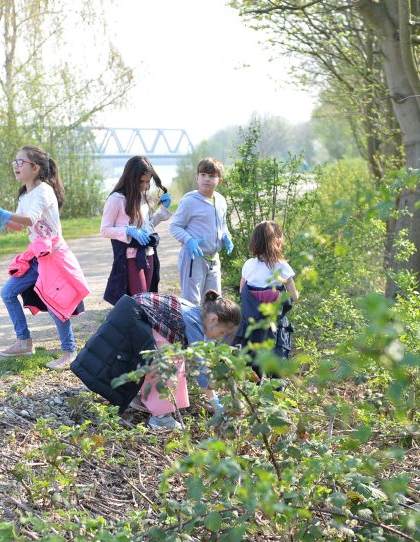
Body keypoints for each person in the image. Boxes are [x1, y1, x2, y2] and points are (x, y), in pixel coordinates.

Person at [0, 145, 89, 370]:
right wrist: (1, 219)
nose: (15, 166)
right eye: (15, 161)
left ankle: (69, 352)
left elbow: (30, 219)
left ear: (35, 167)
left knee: (55, 304)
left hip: (54, 256)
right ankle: (24, 341)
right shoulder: (26, 193)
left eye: (20, 162)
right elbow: (19, 226)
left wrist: (3, 213)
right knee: (8, 292)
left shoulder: (44, 191)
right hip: (37, 256)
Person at [71, 290, 240, 430]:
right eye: (223, 332)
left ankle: (144, 399)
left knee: (164, 356)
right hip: (134, 318)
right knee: (171, 361)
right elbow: (200, 368)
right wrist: (215, 403)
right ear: (214, 319)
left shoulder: (199, 313)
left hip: (131, 312)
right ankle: (161, 418)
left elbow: (206, 349)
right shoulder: (194, 324)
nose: (220, 338)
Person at [100, 156, 172, 305]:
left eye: (148, 181)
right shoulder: (116, 199)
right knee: (141, 302)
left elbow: (148, 226)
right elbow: (105, 230)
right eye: (142, 181)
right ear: (131, 177)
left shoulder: (144, 197)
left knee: (150, 299)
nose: (145, 185)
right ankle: (135, 328)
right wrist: (129, 231)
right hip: (130, 257)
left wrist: (162, 210)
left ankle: (145, 328)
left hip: (149, 254)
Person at [169, 157, 234, 305]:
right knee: (192, 302)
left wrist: (226, 236)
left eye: (212, 176)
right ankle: (191, 328)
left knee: (214, 301)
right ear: (197, 177)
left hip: (214, 259)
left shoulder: (221, 200)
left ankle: (208, 329)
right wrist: (189, 240)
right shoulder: (189, 200)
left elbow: (223, 225)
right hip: (193, 258)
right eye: (203, 175)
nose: (207, 179)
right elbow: (175, 226)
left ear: (219, 181)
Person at [234, 220, 299, 366]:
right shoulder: (282, 266)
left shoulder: (248, 265)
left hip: (251, 328)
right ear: (276, 241)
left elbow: (242, 292)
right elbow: (294, 297)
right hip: (274, 328)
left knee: (253, 368)